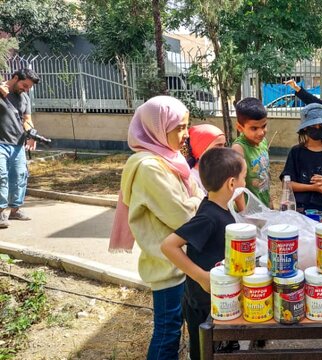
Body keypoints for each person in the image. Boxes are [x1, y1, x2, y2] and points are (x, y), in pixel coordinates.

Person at [120, 96, 203, 359]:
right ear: (156, 128)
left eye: (186, 126)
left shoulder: (168, 158)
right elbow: (182, 217)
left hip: (179, 260)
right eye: (178, 127)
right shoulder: (149, 167)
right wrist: (199, 199)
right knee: (167, 333)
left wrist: (196, 199)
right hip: (167, 266)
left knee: (176, 330)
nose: (186, 134)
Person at [161, 147, 245, 360]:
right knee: (204, 352)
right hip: (202, 304)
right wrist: (201, 276)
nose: (245, 184)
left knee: (221, 350)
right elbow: (169, 246)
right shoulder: (209, 216)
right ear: (232, 184)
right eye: (244, 178)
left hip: (219, 299)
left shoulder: (219, 207)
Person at [280, 103, 322, 211]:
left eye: (321, 126)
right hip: (302, 209)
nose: (317, 129)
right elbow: (287, 184)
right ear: (305, 128)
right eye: (313, 126)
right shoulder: (296, 152)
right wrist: (312, 188)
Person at [0, 69, 40, 228]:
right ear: (15, 78)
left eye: (29, 87)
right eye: (24, 85)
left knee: (19, 176)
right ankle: (1, 213)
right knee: (1, 177)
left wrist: (32, 134)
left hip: (18, 144)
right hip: (1, 143)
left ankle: (15, 210)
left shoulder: (24, 98)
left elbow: (27, 119)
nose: (26, 89)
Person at [231, 97, 271, 207]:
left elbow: (266, 175)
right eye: (254, 128)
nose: (261, 132)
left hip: (264, 206)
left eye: (264, 126)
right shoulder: (239, 149)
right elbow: (237, 188)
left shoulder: (263, 142)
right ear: (240, 127)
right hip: (249, 212)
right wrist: (244, 215)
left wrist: (270, 202)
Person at [184, 124, 226, 190]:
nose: (223, 150)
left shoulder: (219, 174)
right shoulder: (192, 179)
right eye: (218, 145)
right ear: (201, 148)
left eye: (224, 145)